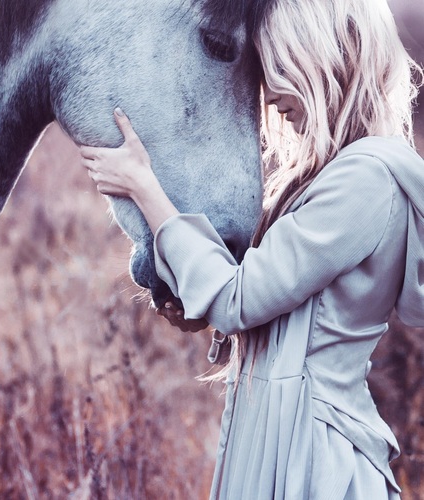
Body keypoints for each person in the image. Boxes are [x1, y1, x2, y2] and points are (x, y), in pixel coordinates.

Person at [79, 0, 424, 498]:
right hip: (283, 428)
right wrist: (201, 307)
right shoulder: (342, 174)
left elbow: (238, 300)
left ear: (323, 59)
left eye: (279, 66)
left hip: (310, 452)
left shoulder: (365, 180)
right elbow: (271, 306)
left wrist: (143, 186)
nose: (269, 93)